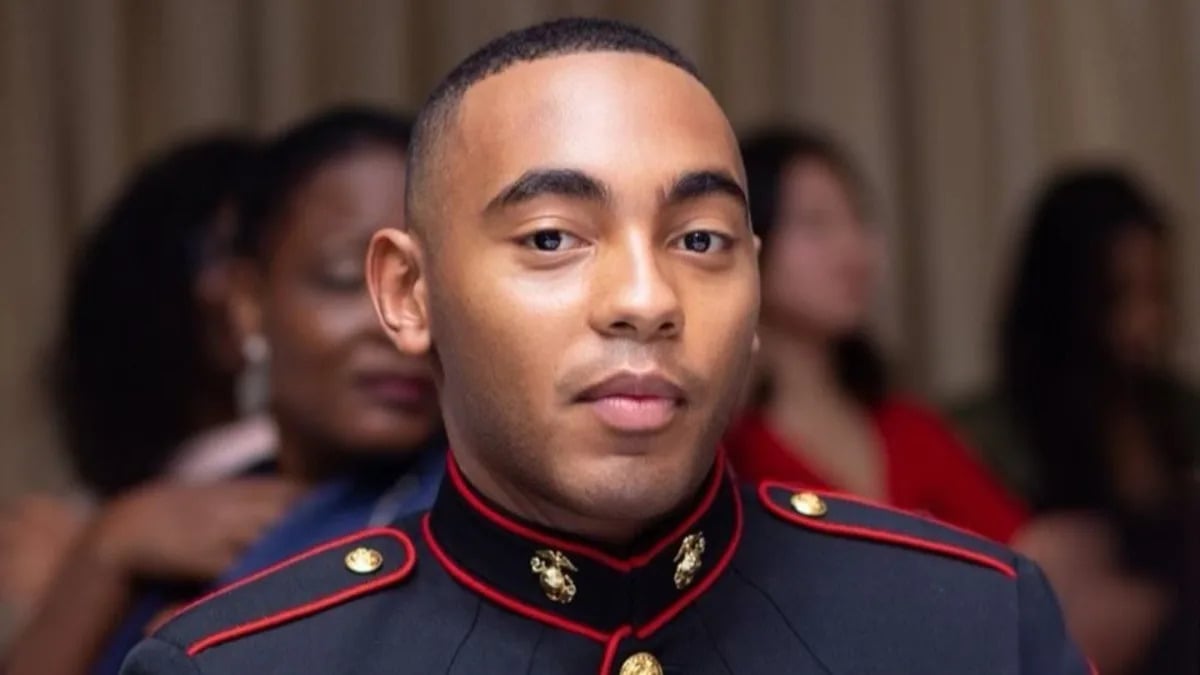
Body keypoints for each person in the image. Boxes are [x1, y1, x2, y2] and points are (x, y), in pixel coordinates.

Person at [120, 18, 1091, 674]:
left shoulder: (971, 624)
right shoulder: (246, 663)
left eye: (699, 241)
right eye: (553, 239)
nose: (645, 299)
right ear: (409, 295)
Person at [6, 108, 445, 675]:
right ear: (246, 303)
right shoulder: (189, 518)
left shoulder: (477, 522)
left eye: (429, 286)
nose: (399, 323)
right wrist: (104, 553)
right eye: (344, 277)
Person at [0, 135, 276, 637]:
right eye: (212, 253)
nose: (222, 288)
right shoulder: (104, 503)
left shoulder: (297, 479)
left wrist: (81, 576)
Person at [951, 167, 1199, 674]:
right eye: (1118, 297)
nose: (1144, 323)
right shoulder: (988, 436)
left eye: (1156, 295)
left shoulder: (1178, 414)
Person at [725, 129, 1026, 542]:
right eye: (815, 224)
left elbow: (1021, 550)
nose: (854, 249)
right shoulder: (723, 441)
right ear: (749, 240)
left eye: (859, 218)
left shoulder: (908, 428)